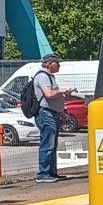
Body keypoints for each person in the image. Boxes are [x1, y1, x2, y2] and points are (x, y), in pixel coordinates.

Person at [33, 55, 72, 183]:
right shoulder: (43, 76)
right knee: (47, 144)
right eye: (57, 63)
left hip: (51, 113)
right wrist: (60, 92)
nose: (59, 65)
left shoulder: (49, 77)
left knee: (52, 144)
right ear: (50, 63)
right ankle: (43, 173)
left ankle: (51, 172)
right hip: (45, 114)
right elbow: (49, 94)